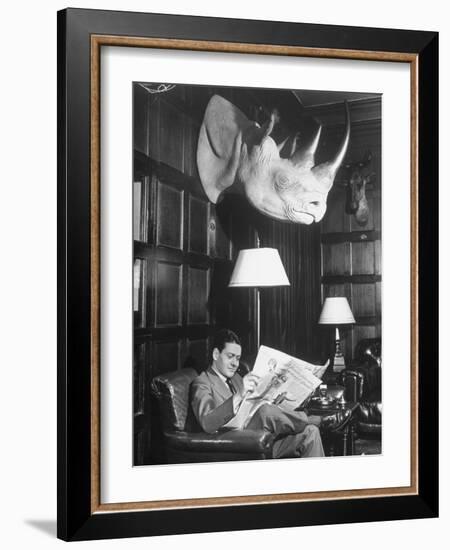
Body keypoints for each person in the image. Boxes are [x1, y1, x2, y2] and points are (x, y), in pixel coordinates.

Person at [190, 329, 351, 459]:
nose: (235, 363)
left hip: (261, 438)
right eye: (230, 356)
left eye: (238, 358)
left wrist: (284, 395)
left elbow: (259, 403)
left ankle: (317, 493)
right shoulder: (202, 383)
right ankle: (315, 420)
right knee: (265, 411)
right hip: (233, 442)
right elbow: (208, 422)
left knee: (310, 433)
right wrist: (239, 395)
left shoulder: (237, 378)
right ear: (216, 354)